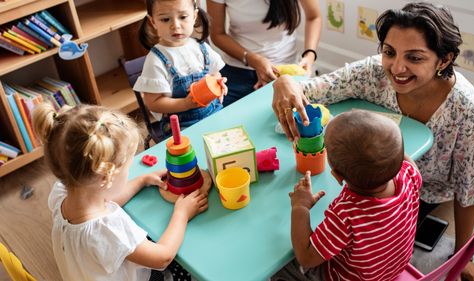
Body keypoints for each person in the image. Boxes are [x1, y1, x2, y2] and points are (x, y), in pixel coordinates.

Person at [272, 2, 474, 280]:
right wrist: (284, 83)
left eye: (414, 57)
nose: (397, 68)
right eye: (389, 52)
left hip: (419, 195)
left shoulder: (466, 109)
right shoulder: (373, 73)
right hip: (387, 185)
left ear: (444, 60)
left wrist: (464, 255)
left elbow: (469, 188)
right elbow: (315, 89)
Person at [32, 103, 208, 281]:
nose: (130, 172)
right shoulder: (108, 230)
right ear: (106, 177)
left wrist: (141, 180)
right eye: (127, 168)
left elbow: (106, 198)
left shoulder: (61, 193)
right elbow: (163, 257)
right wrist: (181, 214)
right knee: (187, 269)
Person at [272, 110, 422, 281]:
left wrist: (300, 207)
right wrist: (387, 151)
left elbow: (306, 257)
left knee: (281, 267)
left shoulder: (346, 214)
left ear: (336, 175)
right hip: (391, 271)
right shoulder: (409, 174)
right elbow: (405, 161)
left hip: (348, 278)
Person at [134, 0, 227, 134]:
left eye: (183, 17)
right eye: (165, 19)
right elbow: (153, 102)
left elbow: (215, 74)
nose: (175, 26)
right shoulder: (155, 60)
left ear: (194, 16)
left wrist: (217, 83)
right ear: (152, 22)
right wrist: (186, 103)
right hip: (181, 126)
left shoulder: (201, 47)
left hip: (214, 112)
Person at [207, 0, 321, 106]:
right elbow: (217, 34)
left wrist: (309, 56)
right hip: (237, 71)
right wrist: (252, 59)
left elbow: (314, 17)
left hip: (285, 70)